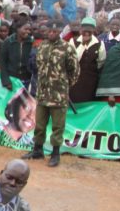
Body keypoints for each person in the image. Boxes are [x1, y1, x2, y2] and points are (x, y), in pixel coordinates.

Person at [23, 21, 79, 167]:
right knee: (39, 124)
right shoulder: (42, 46)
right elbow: (38, 67)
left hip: (58, 95)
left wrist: (64, 85)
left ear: (59, 32)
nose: (52, 34)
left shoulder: (67, 48)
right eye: (50, 31)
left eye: (55, 31)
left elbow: (74, 71)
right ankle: (37, 150)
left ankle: (55, 154)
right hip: (42, 93)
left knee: (57, 126)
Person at [69, 17, 106, 103]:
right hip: (75, 80)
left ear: (94, 30)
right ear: (81, 29)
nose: (86, 32)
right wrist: (82, 45)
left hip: (91, 81)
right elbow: (73, 59)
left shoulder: (99, 43)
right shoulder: (73, 41)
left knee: (89, 102)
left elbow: (101, 61)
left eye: (89, 30)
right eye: (84, 29)